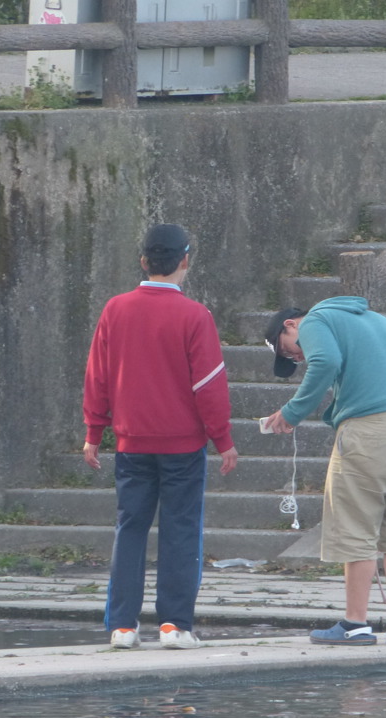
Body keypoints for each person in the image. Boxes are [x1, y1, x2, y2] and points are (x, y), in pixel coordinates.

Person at [82, 223, 238, 651]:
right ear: (185, 261)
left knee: (129, 528)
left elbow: (97, 375)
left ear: (143, 262)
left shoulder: (115, 310)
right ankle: (174, 625)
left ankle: (122, 627)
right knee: (181, 529)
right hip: (183, 445)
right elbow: (208, 385)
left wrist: (94, 431)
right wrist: (222, 440)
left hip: (131, 442)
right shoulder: (194, 316)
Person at [261, 297, 386, 646]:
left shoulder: (315, 321)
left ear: (291, 325)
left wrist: (292, 412)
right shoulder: (381, 321)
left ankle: (355, 624)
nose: (297, 357)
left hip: (367, 428)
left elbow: (326, 361)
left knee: (356, 526)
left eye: (289, 351)